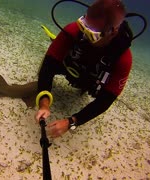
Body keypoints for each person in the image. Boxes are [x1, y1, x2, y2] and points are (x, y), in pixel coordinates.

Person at [35, 0, 133, 138]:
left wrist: (71, 122)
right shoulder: (73, 30)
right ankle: (57, 42)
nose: (86, 35)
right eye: (84, 27)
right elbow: (47, 68)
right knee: (48, 63)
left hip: (91, 79)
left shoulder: (123, 59)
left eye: (93, 34)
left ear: (113, 31)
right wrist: (44, 103)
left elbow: (105, 101)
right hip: (69, 66)